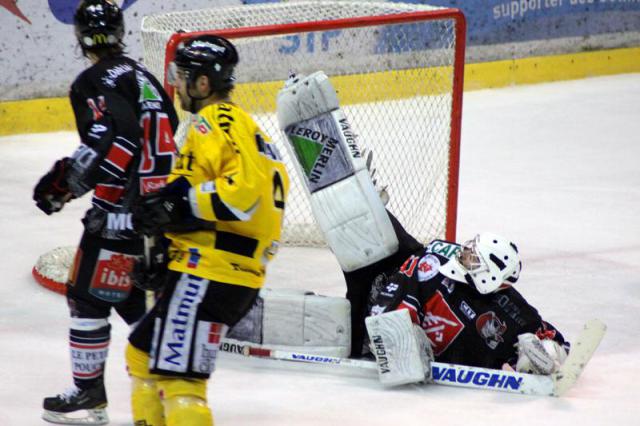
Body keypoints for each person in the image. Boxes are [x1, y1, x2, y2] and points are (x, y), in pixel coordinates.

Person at [126, 34, 290, 426]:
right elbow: (208, 197)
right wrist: (166, 238)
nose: (175, 84)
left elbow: (243, 196)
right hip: (230, 276)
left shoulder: (215, 121)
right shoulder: (248, 131)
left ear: (203, 84)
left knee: (181, 381)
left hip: (208, 272)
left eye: (181, 76)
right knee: (143, 353)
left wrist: (175, 204)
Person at [32, 0, 179, 424]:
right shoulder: (145, 76)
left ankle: (88, 393)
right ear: (120, 33)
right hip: (159, 212)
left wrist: (66, 182)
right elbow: (160, 136)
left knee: (86, 296)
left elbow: (118, 137)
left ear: (80, 38)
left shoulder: (91, 80)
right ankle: (168, 387)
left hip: (120, 213)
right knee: (135, 301)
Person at [361, 226, 570, 379]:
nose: (463, 255)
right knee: (394, 326)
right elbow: (386, 315)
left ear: (492, 277)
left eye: (473, 257)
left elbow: (556, 339)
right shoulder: (433, 264)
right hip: (384, 314)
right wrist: (395, 336)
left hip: (448, 378)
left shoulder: (511, 308)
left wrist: (544, 354)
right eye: (469, 249)